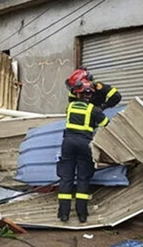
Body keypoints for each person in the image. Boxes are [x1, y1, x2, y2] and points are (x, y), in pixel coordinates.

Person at [57, 79, 109, 224]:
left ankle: (64, 214)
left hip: (67, 143)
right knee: (83, 178)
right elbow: (106, 124)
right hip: (84, 144)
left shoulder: (70, 107)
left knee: (66, 178)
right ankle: (82, 215)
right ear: (90, 95)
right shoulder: (93, 110)